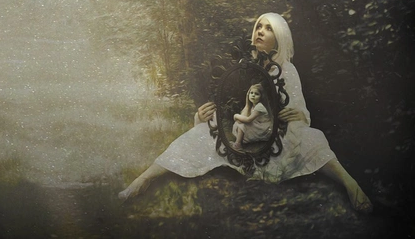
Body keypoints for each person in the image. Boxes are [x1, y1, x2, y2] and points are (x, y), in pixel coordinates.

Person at [118, 12, 373, 213]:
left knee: (314, 138)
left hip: (275, 139)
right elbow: (228, 105)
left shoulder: (286, 70)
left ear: (279, 37)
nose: (261, 31)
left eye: (268, 28)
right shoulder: (243, 66)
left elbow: (298, 110)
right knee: (200, 132)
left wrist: (298, 115)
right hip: (244, 133)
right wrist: (203, 116)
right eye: (259, 26)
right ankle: (144, 179)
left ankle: (351, 185)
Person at [231, 83, 272, 150]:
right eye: (251, 93)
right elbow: (245, 115)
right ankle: (238, 142)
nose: (253, 95)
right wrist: (247, 104)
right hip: (258, 125)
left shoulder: (259, 106)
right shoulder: (252, 105)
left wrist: (235, 116)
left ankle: (238, 144)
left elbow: (248, 119)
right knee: (240, 122)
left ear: (261, 96)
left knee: (242, 123)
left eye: (256, 94)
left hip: (264, 128)